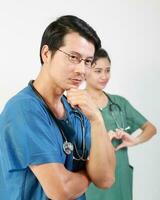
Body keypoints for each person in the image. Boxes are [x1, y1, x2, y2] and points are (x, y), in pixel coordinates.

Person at [0, 16, 116, 200]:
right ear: (46, 53)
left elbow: (106, 178)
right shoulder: (23, 110)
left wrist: (97, 119)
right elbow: (60, 190)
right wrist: (89, 173)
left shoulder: (78, 110)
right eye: (73, 57)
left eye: (87, 61)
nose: (81, 70)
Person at [85, 48, 156, 200]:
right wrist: (103, 139)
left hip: (120, 176)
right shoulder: (76, 103)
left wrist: (134, 140)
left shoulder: (119, 103)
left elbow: (151, 128)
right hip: (93, 177)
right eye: (98, 71)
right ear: (85, 71)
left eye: (107, 70)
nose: (104, 76)